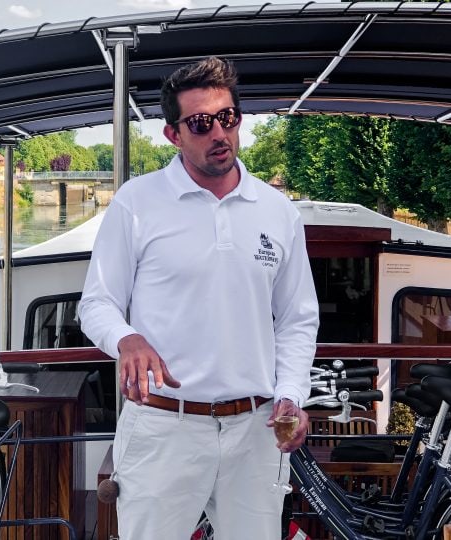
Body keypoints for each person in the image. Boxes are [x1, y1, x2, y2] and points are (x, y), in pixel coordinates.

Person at [78, 56, 319, 539]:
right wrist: (127, 339)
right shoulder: (137, 203)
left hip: (256, 429)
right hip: (165, 426)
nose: (219, 134)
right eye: (201, 123)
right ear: (174, 134)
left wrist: (292, 393)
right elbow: (97, 303)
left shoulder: (277, 211)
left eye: (227, 118)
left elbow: (297, 317)